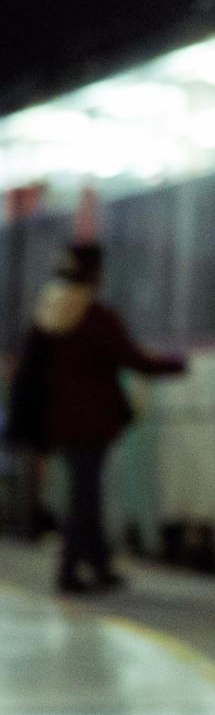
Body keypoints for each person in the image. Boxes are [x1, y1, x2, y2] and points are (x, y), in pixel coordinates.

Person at [5, 243, 185, 594]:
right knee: (85, 496)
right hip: (90, 422)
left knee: (84, 492)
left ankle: (98, 563)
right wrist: (175, 364)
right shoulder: (95, 316)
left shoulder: (49, 314)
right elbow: (131, 357)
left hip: (58, 421)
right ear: (93, 274)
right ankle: (70, 570)